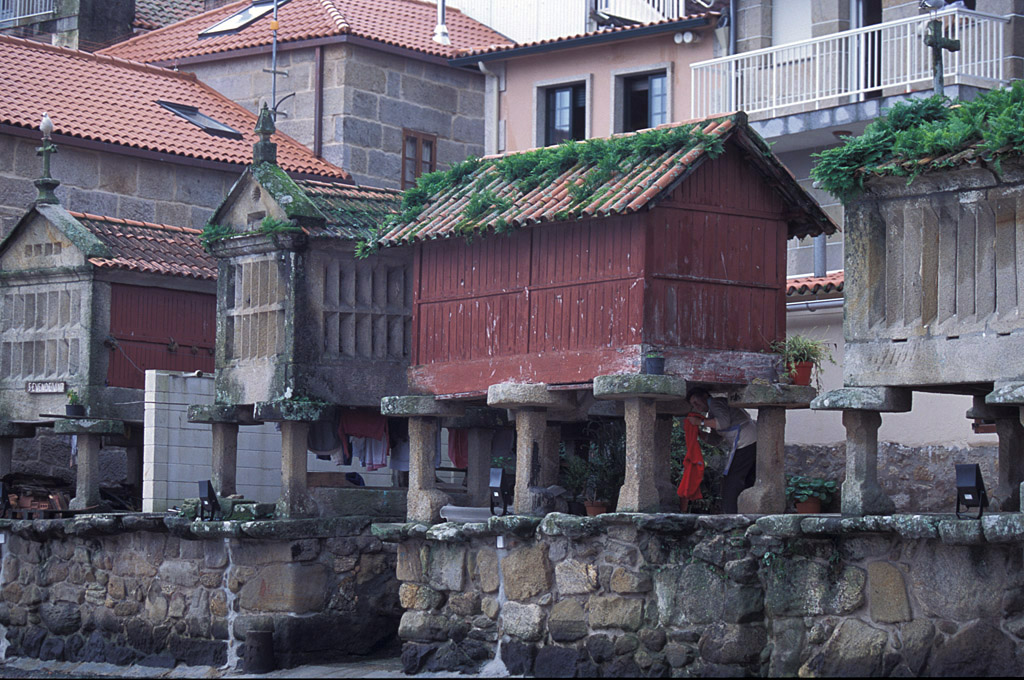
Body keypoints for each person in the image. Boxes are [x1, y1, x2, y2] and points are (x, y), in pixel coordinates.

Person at [686, 387, 757, 514]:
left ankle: (730, 513)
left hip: (747, 439)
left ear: (705, 396)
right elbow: (715, 440)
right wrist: (700, 434)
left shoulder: (716, 402)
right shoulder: (711, 414)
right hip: (745, 441)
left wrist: (700, 422)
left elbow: (723, 423)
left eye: (696, 402)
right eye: (693, 405)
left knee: (732, 479)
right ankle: (744, 510)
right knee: (746, 478)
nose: (696, 407)